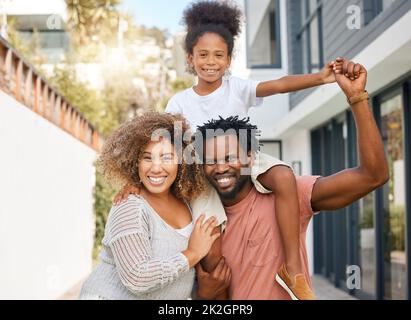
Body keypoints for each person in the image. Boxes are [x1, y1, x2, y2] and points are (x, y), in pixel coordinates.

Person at [114, 0, 354, 300]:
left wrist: (320, 78)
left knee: (283, 176)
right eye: (202, 55)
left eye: (218, 55)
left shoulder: (237, 88)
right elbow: (163, 148)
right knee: (210, 234)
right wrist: (135, 184)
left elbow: (278, 85)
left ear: (228, 60)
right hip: (201, 168)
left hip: (240, 159)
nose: (210, 62)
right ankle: (220, 295)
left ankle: (292, 270)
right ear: (190, 58)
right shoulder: (179, 102)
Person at [193, 60, 389, 299]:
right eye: (211, 160)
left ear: (250, 157)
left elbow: (373, 176)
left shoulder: (286, 194)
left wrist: (357, 98)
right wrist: (204, 295)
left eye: (230, 157)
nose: (221, 167)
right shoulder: (202, 220)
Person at [79, 112, 225, 300]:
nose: (156, 168)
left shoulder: (187, 203)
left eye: (166, 158)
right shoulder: (129, 205)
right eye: (147, 158)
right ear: (135, 161)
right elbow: (137, 278)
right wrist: (192, 253)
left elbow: (177, 280)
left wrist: (203, 291)